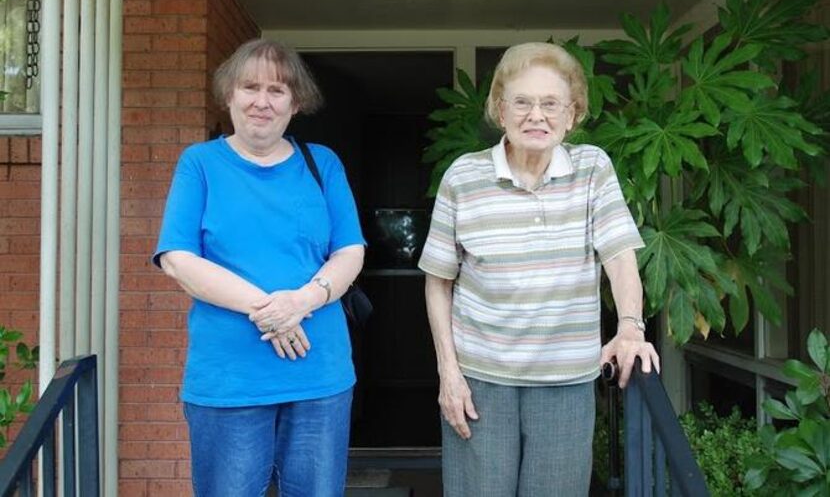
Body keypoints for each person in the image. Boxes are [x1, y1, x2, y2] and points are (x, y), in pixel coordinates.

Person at [418, 42, 660, 496]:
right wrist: (448, 374)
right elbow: (438, 284)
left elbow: (620, 255)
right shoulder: (463, 177)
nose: (537, 115)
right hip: (480, 380)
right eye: (522, 102)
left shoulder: (592, 169)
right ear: (499, 110)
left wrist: (630, 327)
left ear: (573, 115)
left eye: (551, 104)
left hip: (566, 381)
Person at [153, 38, 365, 497]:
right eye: (250, 88)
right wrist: (271, 310)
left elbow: (350, 251)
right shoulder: (201, 164)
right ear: (229, 94)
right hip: (229, 376)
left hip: (318, 375)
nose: (262, 102)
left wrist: (302, 301)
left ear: (296, 102)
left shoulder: (321, 163)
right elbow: (178, 259)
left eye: (277, 90)